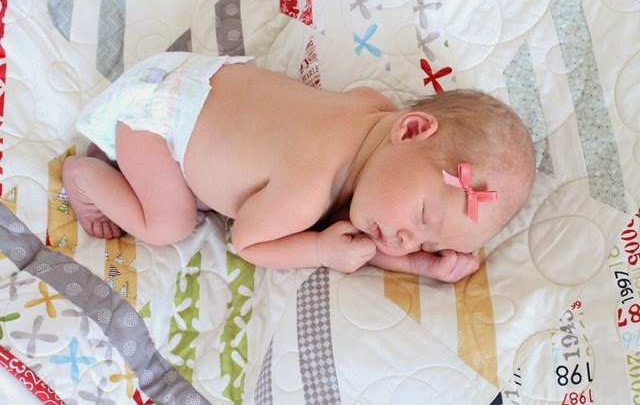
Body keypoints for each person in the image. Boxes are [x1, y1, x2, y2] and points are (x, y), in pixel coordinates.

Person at [62, 52, 536, 282]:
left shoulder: (372, 108)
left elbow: (365, 225)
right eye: (424, 218)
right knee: (170, 223)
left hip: (192, 75)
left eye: (430, 243)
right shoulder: (305, 194)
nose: (408, 240)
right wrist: (318, 250)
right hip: (155, 124)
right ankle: (86, 178)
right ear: (410, 130)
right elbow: (249, 242)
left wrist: (420, 265)